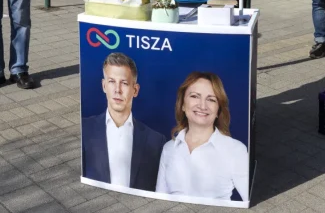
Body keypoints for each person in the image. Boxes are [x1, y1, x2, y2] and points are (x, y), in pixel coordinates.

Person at [156, 72, 248, 201]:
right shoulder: (169, 148)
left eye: (211, 99)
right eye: (194, 96)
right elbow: (160, 199)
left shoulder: (236, 150)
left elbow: (253, 201)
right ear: (182, 104)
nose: (202, 106)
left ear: (218, 110)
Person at [82, 53, 167, 191]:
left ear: (135, 90)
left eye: (124, 83)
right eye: (111, 82)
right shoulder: (85, 129)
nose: (117, 90)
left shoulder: (156, 141)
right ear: (104, 86)